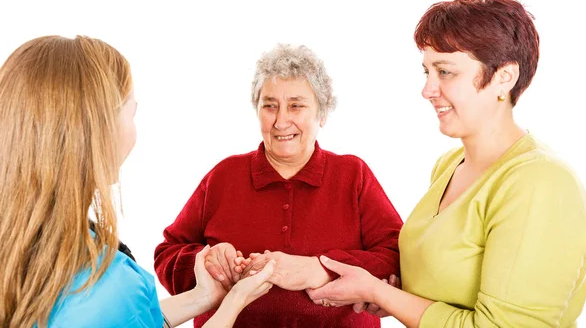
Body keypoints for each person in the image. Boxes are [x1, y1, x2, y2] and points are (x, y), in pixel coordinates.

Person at [306, 0, 586, 328]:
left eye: (445, 72)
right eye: (426, 71)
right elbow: (446, 287)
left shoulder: (541, 184)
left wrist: (382, 293)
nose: (427, 89)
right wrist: (394, 297)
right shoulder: (449, 165)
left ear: (504, 77)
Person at [0, 35, 276, 328]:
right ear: (100, 132)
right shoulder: (108, 285)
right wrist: (235, 302)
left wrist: (202, 297)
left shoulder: (26, 243)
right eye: (132, 111)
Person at [154, 44, 403, 328]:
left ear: (322, 114)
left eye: (296, 105)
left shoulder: (353, 175)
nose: (281, 120)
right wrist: (207, 262)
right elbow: (167, 253)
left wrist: (320, 268)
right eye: (270, 105)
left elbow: (395, 255)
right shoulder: (224, 175)